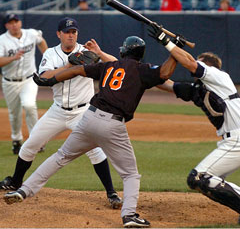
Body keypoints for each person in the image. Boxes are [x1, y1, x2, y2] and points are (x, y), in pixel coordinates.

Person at [4, 35, 178, 228]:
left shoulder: (109, 66)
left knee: (61, 156)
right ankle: (129, 215)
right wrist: (174, 50)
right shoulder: (142, 70)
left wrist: (50, 80)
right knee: (130, 174)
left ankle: (23, 190)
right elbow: (165, 72)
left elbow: (77, 69)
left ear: (124, 51)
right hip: (112, 125)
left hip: (89, 118)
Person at [0, 17, 122, 209]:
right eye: (67, 32)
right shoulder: (51, 53)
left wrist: (98, 52)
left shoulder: (87, 51)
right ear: (59, 34)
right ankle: (16, 181)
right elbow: (44, 76)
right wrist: (67, 66)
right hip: (57, 111)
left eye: (74, 32)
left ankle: (111, 193)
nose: (70, 35)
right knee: (30, 145)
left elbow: (117, 65)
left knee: (95, 152)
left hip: (82, 112)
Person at [149, 23, 240, 219]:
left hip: (238, 139)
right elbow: (167, 84)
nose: (194, 66)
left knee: (199, 177)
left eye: (200, 63)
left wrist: (167, 43)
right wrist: (142, 72)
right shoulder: (198, 90)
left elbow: (189, 62)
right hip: (231, 140)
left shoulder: (220, 76)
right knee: (206, 182)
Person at [0, 13, 48, 154]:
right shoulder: (2, 40)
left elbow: (41, 41)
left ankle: (36, 140)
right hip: (10, 82)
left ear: (20, 22)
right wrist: (13, 58)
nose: (14, 24)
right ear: (6, 25)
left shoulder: (31, 34)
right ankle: (16, 139)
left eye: (16, 21)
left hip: (29, 79)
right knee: (14, 114)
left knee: (29, 105)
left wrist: (47, 57)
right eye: (11, 22)